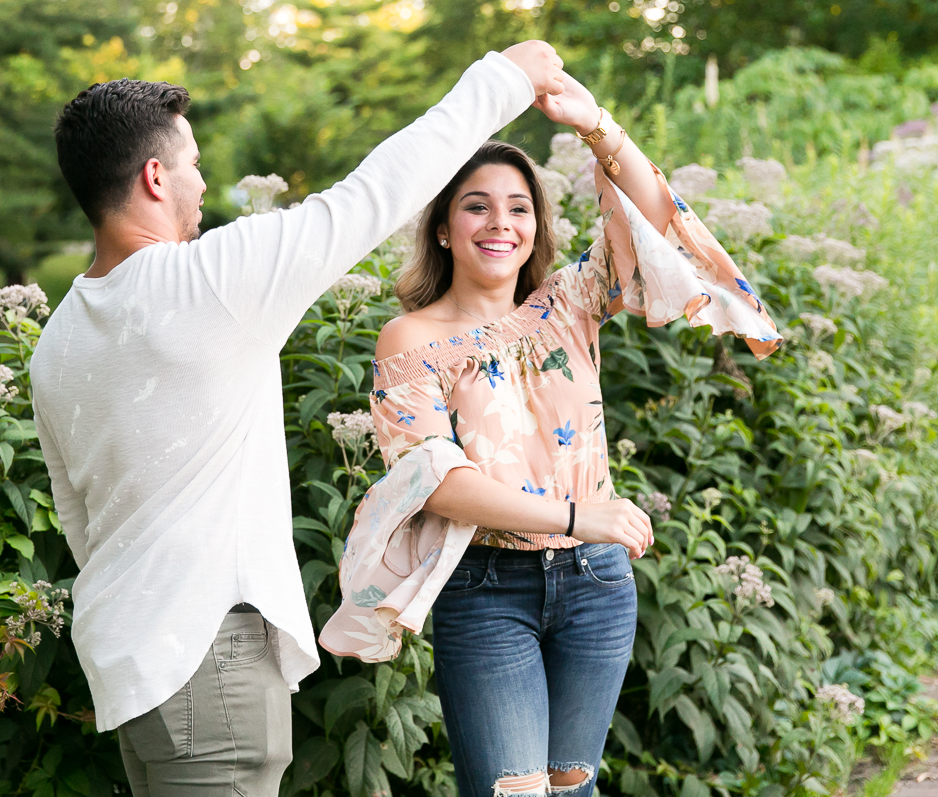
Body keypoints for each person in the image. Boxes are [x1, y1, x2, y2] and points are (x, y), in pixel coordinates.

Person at [29, 41, 568, 797]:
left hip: (129, 662)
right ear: (155, 177)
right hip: (206, 658)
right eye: (191, 163)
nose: (204, 180)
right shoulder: (207, 281)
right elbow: (376, 194)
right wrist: (506, 76)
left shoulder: (56, 341)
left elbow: (77, 521)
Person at [320, 72, 782, 797]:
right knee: (512, 793)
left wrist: (595, 122)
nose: (499, 223)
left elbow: (658, 223)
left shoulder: (569, 303)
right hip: (486, 587)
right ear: (443, 226)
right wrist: (577, 516)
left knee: (573, 788)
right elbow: (440, 484)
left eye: (517, 207)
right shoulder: (408, 340)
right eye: (476, 207)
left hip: (597, 583)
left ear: (536, 224)